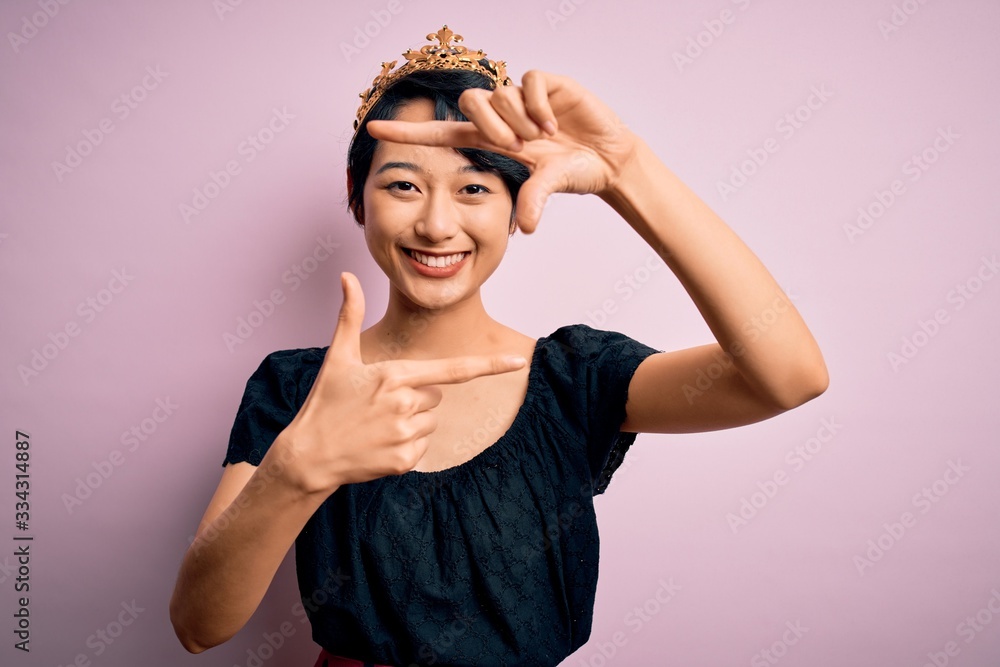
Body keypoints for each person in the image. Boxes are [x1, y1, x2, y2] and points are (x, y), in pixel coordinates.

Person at [169, 25, 829, 667]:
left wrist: (627, 170)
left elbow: (789, 376)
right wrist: (295, 469)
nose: (436, 224)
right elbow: (198, 627)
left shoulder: (575, 379)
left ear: (517, 204)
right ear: (356, 195)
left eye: (474, 189)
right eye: (403, 185)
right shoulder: (294, 388)